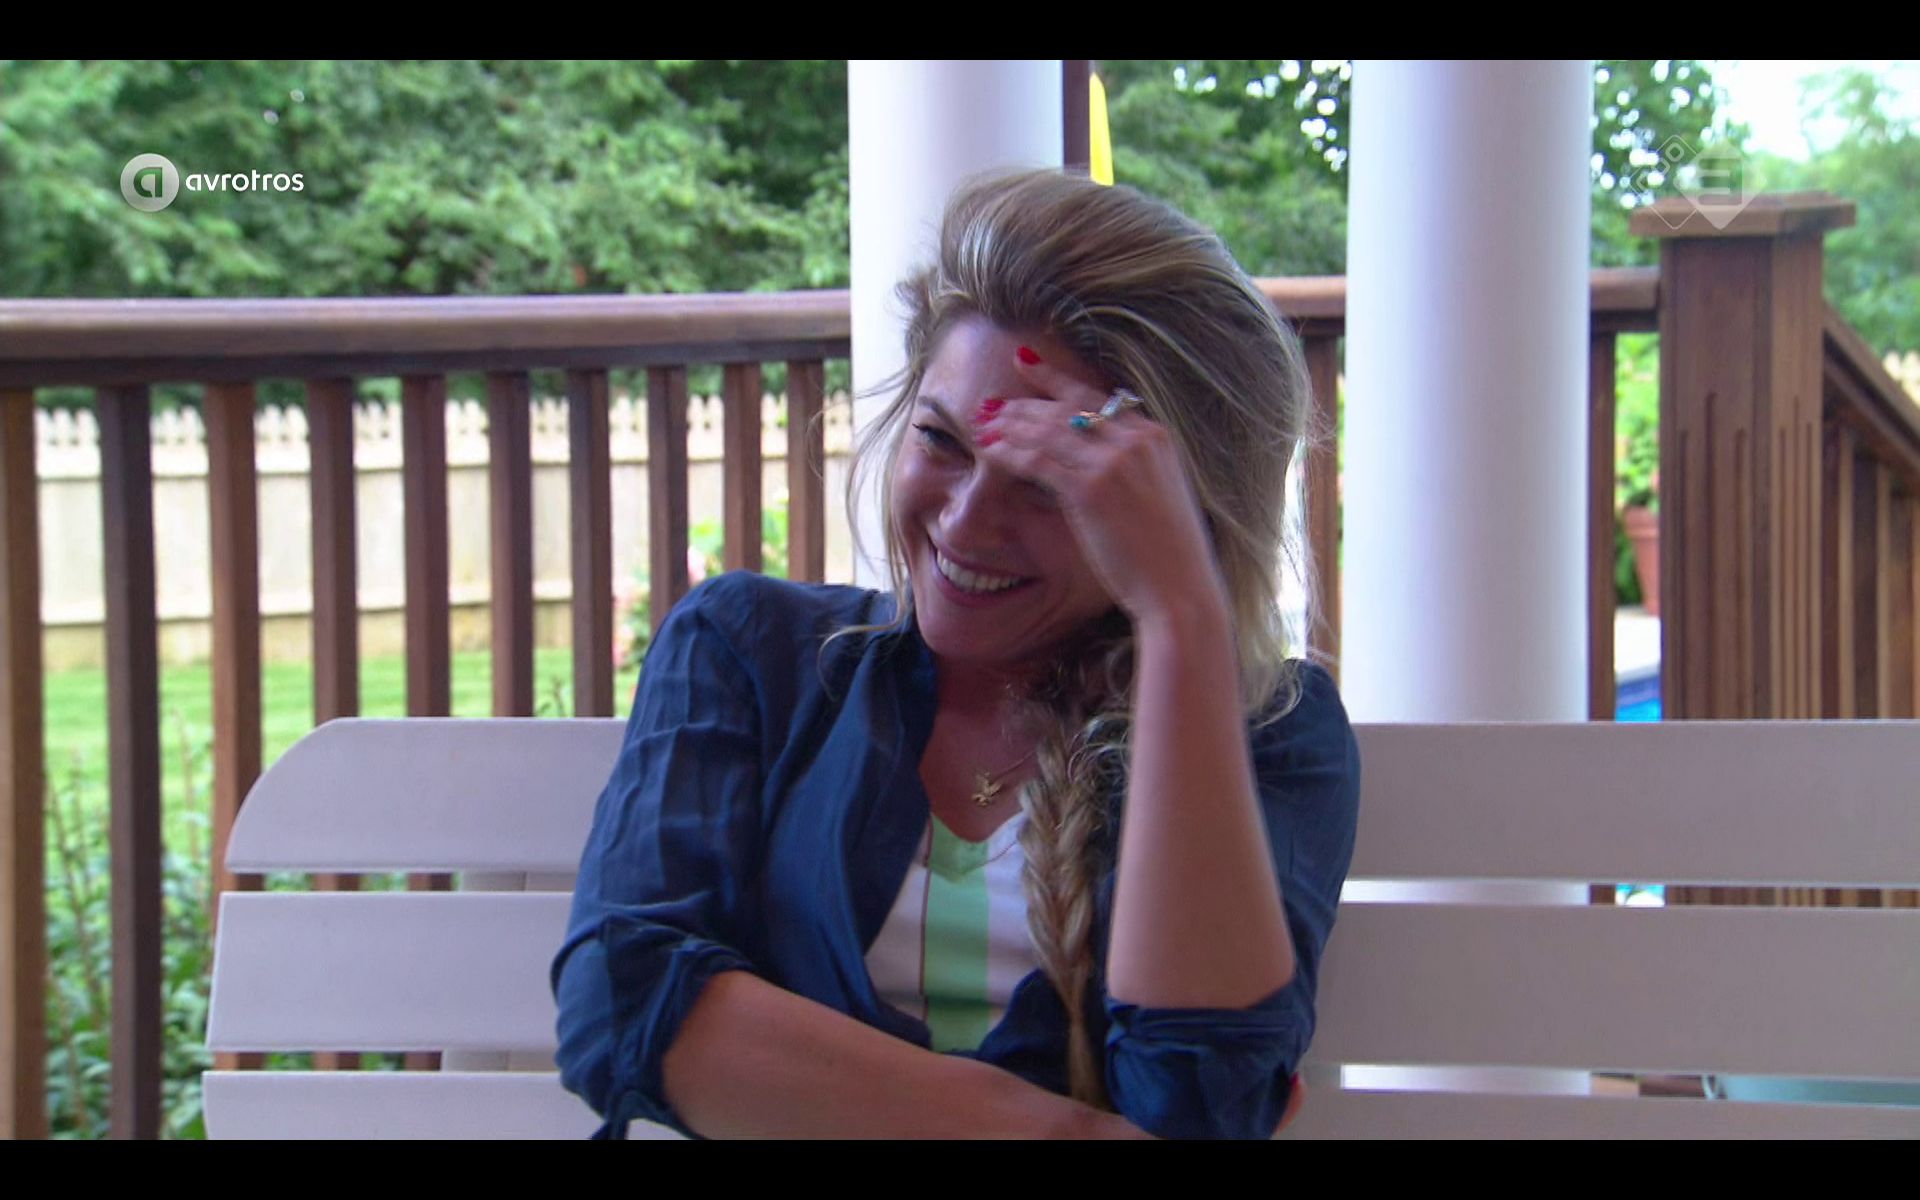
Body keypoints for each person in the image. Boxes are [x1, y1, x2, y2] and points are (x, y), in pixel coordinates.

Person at [550, 168, 1361, 1140]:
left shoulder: (1267, 734)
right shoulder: (751, 653)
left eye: (1050, 485)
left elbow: (1198, 1102)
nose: (968, 523)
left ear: (1176, 518)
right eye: (941, 440)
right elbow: (624, 995)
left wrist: (1182, 613)